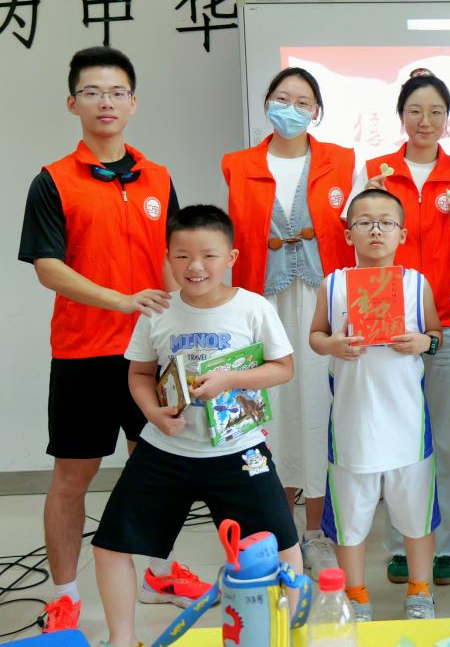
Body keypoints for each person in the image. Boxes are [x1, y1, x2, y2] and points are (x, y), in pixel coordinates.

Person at [16, 46, 206, 632]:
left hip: (153, 353)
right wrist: (121, 301)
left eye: (117, 92)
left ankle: (158, 573)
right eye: (93, 92)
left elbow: (176, 258)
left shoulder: (158, 178)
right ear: (72, 102)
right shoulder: (53, 181)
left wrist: (193, 323)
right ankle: (64, 595)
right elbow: (48, 267)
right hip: (84, 353)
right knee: (72, 478)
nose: (106, 102)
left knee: (159, 467)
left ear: (133, 103)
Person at [91, 205, 301, 647]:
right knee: (109, 544)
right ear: (168, 258)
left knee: (283, 543)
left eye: (208, 255)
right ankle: (122, 639)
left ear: (231, 257)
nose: (196, 266)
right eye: (183, 256)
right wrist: (152, 413)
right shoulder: (158, 310)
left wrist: (231, 379)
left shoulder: (253, 307)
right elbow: (139, 373)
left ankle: (286, 635)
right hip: (166, 450)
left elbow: (283, 368)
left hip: (239, 450)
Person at [350, 69, 450, 587]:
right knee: (395, 440)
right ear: (401, 116)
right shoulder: (376, 171)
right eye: (415, 111)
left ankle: (449, 545)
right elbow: (357, 237)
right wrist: (373, 199)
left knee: (448, 442)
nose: (425, 121)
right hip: (386, 322)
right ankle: (400, 546)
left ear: (447, 118)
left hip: (446, 322)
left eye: (435, 112)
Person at [222, 67, 355, 579]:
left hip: (322, 301)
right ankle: (276, 527)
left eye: (303, 102)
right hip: (261, 301)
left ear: (316, 111)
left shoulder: (343, 161)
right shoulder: (237, 164)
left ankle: (316, 531)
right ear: (266, 103)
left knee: (318, 405)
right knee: (266, 408)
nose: (292, 109)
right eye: (282, 98)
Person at [310, 188, 443, 622]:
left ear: (402, 233)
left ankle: (419, 589)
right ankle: (356, 594)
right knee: (350, 517)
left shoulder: (415, 283)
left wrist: (422, 342)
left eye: (386, 222)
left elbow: (437, 336)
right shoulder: (333, 284)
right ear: (348, 234)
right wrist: (333, 344)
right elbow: (316, 337)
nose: (376, 230)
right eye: (365, 222)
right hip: (353, 424)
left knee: (416, 512)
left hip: (407, 424)